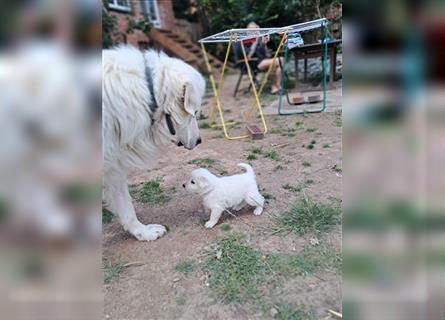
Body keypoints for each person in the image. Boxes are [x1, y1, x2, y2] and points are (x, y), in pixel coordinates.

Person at [246, 21, 283, 94]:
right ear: (248, 31)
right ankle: (274, 86)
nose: (254, 31)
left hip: (265, 61)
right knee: (276, 61)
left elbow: (267, 55)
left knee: (281, 60)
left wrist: (264, 44)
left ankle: (277, 86)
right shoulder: (247, 41)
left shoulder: (260, 40)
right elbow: (248, 56)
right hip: (255, 63)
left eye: (255, 29)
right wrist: (255, 42)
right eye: (251, 30)